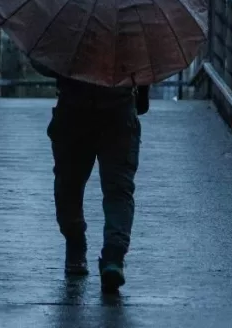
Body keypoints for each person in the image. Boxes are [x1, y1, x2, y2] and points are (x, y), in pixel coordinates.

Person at [32, 59, 149, 292]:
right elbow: (144, 68)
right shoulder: (131, 26)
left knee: (69, 185)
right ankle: (114, 257)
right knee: (119, 190)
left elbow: (44, 62)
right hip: (119, 113)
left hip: (74, 110)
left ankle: (75, 247)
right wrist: (140, 93)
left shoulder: (70, 25)